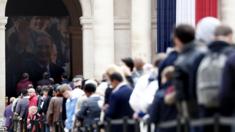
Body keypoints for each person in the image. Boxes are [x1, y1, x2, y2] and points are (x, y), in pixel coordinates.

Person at [197, 25, 234, 132]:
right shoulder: (232, 55)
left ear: (214, 37)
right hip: (229, 114)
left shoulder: (201, 56)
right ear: (230, 36)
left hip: (205, 112)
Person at [172, 24, 203, 120]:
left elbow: (181, 93)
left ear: (177, 40)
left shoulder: (181, 61)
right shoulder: (205, 52)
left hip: (192, 112)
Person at [149, 66, 177, 132]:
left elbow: (153, 117)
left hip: (162, 129)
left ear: (165, 77)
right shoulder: (181, 92)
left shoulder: (159, 95)